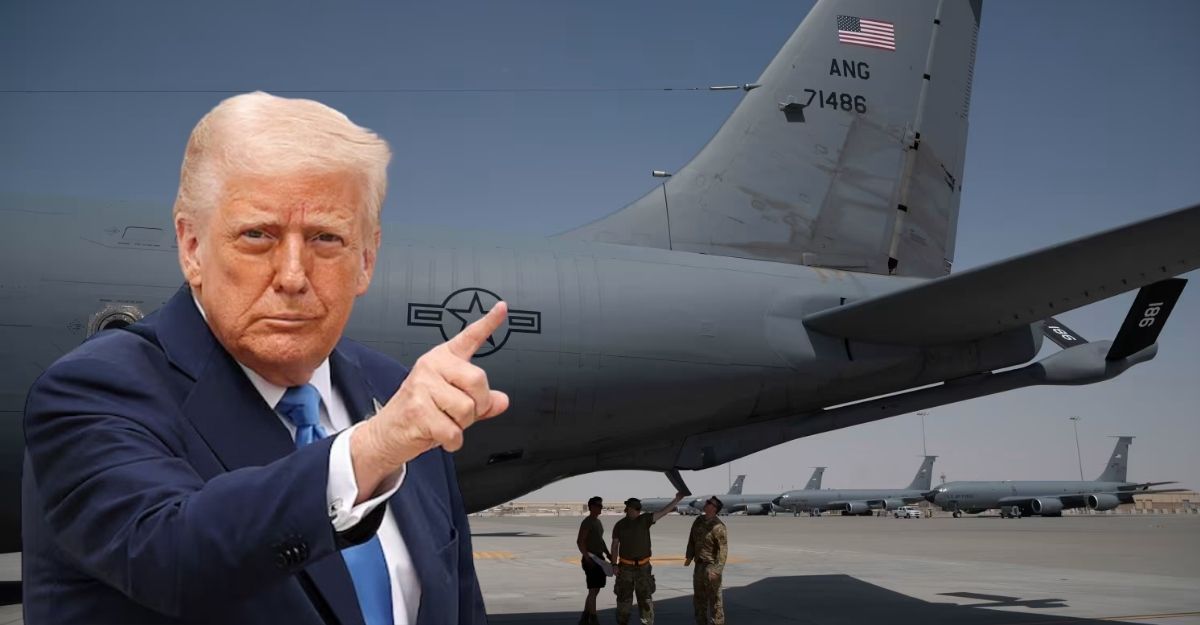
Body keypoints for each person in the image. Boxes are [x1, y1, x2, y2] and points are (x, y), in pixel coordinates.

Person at [20, 92, 507, 624]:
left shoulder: (395, 393)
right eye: (257, 235)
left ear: (367, 259)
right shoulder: (91, 390)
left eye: (326, 238)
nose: (293, 276)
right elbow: (170, 554)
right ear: (191, 246)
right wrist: (371, 450)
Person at [610, 493, 686, 625]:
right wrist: (614, 564)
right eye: (632, 508)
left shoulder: (645, 520)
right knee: (623, 601)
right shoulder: (620, 525)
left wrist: (677, 499)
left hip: (643, 568)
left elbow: (663, 512)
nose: (634, 511)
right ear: (629, 509)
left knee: (645, 601)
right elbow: (615, 545)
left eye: (636, 509)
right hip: (625, 568)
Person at [684, 496, 728, 625]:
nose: (706, 503)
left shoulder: (719, 526)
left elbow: (723, 550)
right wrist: (689, 556)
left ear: (714, 508)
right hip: (699, 566)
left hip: (711, 567)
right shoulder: (698, 520)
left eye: (709, 503)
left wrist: (717, 570)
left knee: (715, 601)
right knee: (699, 599)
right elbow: (691, 540)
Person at [577, 495, 612, 625]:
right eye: (598, 505)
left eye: (601, 505)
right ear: (591, 507)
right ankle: (593, 618)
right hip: (591, 559)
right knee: (593, 590)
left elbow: (600, 540)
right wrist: (587, 559)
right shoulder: (588, 522)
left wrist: (607, 553)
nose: (601, 507)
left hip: (598, 558)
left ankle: (585, 618)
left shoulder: (597, 522)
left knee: (595, 590)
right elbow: (580, 541)